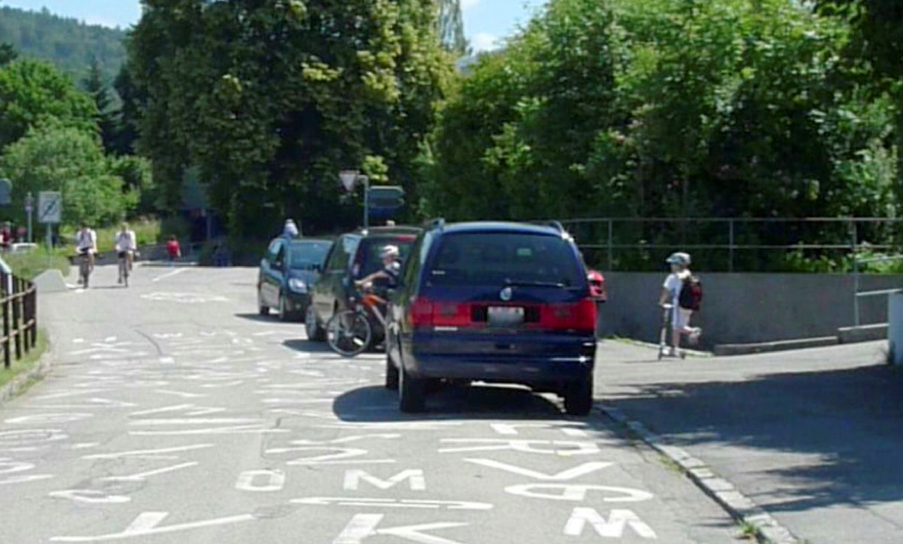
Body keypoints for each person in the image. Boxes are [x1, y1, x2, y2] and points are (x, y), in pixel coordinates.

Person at [659, 252, 702, 357]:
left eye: (673, 264)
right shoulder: (688, 274)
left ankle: (692, 332)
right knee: (679, 325)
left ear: (678, 265)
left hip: (679, 304)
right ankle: (675, 348)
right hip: (689, 305)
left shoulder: (673, 277)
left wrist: (662, 302)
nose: (671, 266)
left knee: (677, 327)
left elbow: (666, 290)